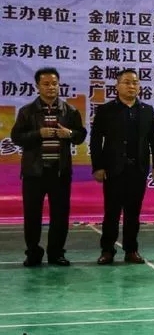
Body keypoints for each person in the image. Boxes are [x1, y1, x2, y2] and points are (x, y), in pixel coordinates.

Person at [11, 67, 87, 267]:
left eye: (54, 83)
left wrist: (69, 133)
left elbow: (80, 135)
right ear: (37, 86)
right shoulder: (27, 111)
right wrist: (39, 134)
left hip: (59, 172)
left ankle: (56, 253)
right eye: (46, 84)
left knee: (60, 216)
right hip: (34, 172)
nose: (51, 87)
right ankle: (33, 253)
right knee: (32, 215)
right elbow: (16, 137)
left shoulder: (69, 111)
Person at [90, 69, 154, 265]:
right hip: (113, 170)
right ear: (117, 86)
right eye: (127, 82)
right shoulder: (106, 110)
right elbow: (96, 141)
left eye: (135, 83)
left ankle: (131, 250)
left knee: (133, 213)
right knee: (111, 213)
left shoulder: (147, 110)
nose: (132, 86)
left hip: (138, 169)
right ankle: (107, 250)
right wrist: (98, 166)